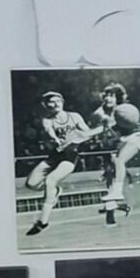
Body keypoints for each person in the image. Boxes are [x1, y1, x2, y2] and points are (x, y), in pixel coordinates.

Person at [24, 91, 93, 238]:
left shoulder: (74, 116)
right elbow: (50, 132)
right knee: (31, 184)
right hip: (55, 155)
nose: (55, 104)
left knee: (50, 180)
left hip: (70, 156)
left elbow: (88, 133)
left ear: (62, 102)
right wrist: (56, 140)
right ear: (46, 105)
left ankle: (42, 221)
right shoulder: (47, 120)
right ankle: (54, 192)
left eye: (58, 101)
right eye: (51, 101)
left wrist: (76, 139)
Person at [93, 81, 140, 227]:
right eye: (106, 95)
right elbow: (103, 122)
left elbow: (130, 124)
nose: (108, 98)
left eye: (111, 95)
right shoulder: (100, 113)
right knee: (110, 177)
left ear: (117, 97)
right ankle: (112, 215)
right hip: (115, 144)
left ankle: (117, 197)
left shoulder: (125, 110)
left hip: (133, 138)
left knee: (119, 162)